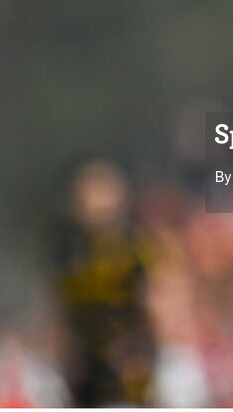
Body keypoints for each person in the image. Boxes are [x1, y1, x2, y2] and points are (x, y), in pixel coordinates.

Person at [52, 160, 153, 406]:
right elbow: (58, 311)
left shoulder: (138, 247)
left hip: (131, 370)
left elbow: (155, 301)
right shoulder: (67, 250)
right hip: (83, 374)